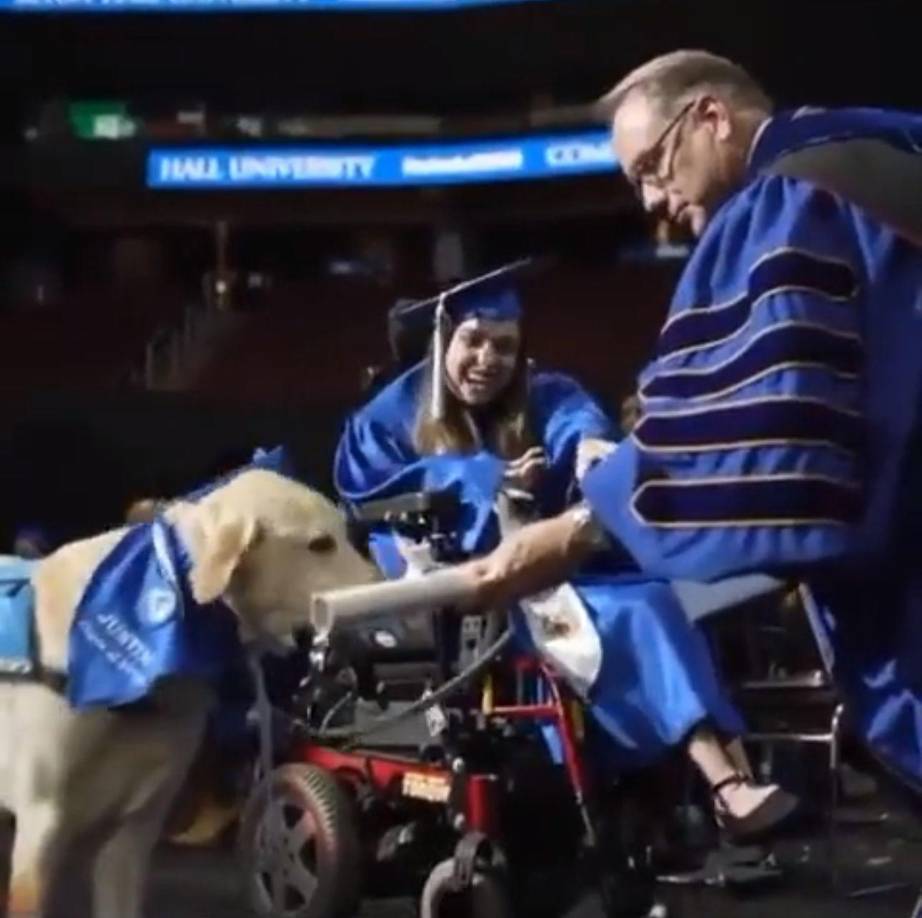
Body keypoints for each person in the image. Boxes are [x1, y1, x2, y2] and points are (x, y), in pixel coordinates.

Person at [458, 51, 922, 792]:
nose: (650, 201)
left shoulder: (791, 205)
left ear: (710, 116)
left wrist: (578, 529)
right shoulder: (894, 146)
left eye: (651, 166)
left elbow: (753, 432)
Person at [335, 264, 796, 836]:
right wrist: (488, 481)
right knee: (641, 611)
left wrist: (588, 451)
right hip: (471, 590)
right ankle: (725, 785)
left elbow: (576, 417)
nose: (487, 359)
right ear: (441, 339)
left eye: (503, 345)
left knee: (672, 596)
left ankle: (716, 790)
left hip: (551, 574)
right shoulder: (387, 418)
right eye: (472, 341)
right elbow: (377, 499)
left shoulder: (536, 394)